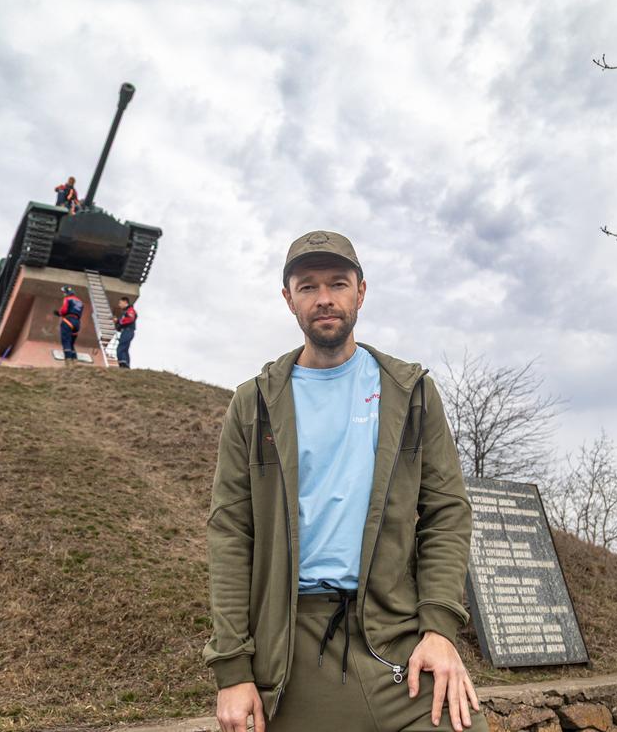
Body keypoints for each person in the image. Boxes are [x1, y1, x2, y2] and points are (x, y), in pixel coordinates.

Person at [205, 231, 485, 732]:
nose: (325, 298)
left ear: (361, 291)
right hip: (294, 641)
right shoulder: (253, 406)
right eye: (308, 286)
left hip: (397, 630)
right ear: (288, 299)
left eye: (338, 282)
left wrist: (439, 628)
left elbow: (447, 512)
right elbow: (230, 535)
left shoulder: (411, 392)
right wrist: (233, 669)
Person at [53, 285, 83, 363]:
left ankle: (68, 361)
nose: (63, 294)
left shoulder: (67, 299)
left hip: (68, 321)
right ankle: (75, 360)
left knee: (66, 340)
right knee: (71, 343)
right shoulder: (80, 302)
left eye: (64, 292)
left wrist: (59, 313)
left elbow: (64, 310)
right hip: (77, 323)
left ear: (67, 292)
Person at [114, 296, 137, 369]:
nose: (119, 305)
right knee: (125, 349)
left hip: (128, 331)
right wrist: (118, 324)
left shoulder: (130, 310)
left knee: (121, 348)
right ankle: (126, 365)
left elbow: (130, 319)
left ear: (125, 302)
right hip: (126, 331)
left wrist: (118, 321)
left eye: (120, 303)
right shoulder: (126, 312)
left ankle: (123, 364)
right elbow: (123, 323)